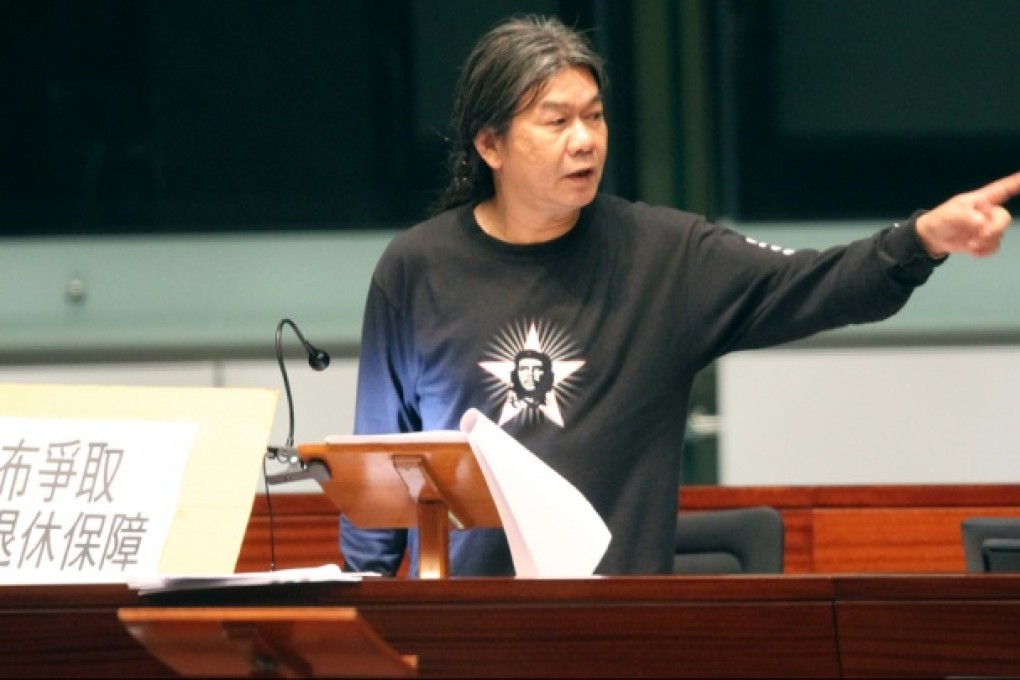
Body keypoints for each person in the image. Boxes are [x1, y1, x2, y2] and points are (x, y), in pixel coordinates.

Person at [341, 14, 1018, 577]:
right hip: (470, 644)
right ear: (490, 144)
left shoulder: (665, 257)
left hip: (628, 636)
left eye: (595, 116)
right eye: (556, 121)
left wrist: (923, 237)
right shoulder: (417, 271)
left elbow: (820, 284)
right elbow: (377, 485)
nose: (585, 140)